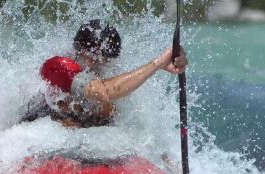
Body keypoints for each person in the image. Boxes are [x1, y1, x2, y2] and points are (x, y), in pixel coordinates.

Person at [21, 19, 188, 128]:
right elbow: (102, 92)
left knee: (110, 113)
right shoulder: (58, 67)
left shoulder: (108, 75)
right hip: (38, 128)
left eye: (106, 59)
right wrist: (158, 63)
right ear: (78, 49)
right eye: (94, 57)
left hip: (81, 134)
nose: (99, 65)